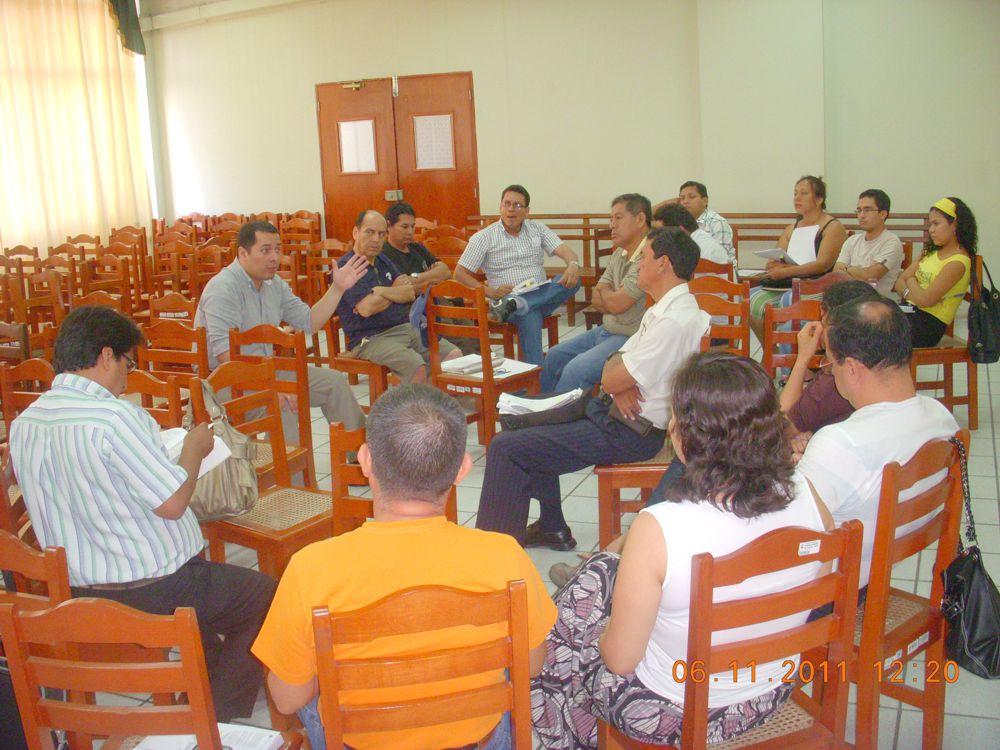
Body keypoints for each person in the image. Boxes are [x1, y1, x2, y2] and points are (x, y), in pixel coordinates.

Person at [531, 351, 828, 748]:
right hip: (769, 692)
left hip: (674, 710)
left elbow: (619, 662)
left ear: (684, 439)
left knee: (565, 636)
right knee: (600, 578)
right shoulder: (811, 498)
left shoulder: (662, 528)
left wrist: (597, 633)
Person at [251, 385, 557, 750]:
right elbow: (532, 664)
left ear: (365, 460)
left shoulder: (310, 568)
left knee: (310, 693)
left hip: (362, 742)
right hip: (476, 740)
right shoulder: (504, 555)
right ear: (462, 469)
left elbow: (286, 699)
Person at [8, 306, 276, 722]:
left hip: (78, 591)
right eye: (128, 364)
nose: (126, 378)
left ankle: (202, 684)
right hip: (152, 587)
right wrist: (192, 450)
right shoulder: (115, 417)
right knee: (268, 597)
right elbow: (172, 504)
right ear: (106, 355)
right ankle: (217, 720)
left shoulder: (25, 421)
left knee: (210, 591)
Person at [476, 228, 709, 550]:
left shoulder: (672, 320)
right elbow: (619, 360)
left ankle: (492, 558)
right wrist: (618, 381)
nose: (638, 264)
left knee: (506, 447)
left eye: (645, 257)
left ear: (663, 264)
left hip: (630, 432)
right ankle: (551, 526)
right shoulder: (666, 309)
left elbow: (612, 376)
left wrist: (617, 382)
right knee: (520, 414)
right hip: (614, 412)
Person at [797, 296, 959, 589]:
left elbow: (791, 532)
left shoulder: (841, 443)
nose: (829, 371)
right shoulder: (942, 418)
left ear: (853, 368)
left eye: (830, 362)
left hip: (835, 599)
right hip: (875, 580)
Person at [196, 220, 366, 431]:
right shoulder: (223, 289)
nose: (274, 257)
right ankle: (286, 464)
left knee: (335, 383)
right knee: (282, 404)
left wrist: (338, 288)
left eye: (277, 249)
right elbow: (226, 357)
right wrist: (272, 388)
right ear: (243, 254)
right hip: (223, 381)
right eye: (265, 250)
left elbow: (310, 321)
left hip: (265, 370)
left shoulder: (274, 284)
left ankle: (360, 458)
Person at [455, 184, 582, 365]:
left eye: (517, 205)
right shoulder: (484, 237)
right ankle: (536, 378)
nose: (511, 210)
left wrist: (573, 264)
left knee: (574, 280)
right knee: (529, 315)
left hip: (539, 294)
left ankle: (519, 304)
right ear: (500, 207)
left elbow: (565, 251)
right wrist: (489, 292)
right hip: (503, 301)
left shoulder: (537, 229)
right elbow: (460, 273)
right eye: (507, 204)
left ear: (527, 211)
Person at [540, 193, 650, 394]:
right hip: (607, 329)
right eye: (611, 219)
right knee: (554, 355)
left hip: (630, 337)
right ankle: (542, 409)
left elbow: (615, 303)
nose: (612, 225)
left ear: (640, 219)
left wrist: (608, 298)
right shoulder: (621, 252)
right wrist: (611, 297)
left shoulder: (648, 256)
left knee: (576, 369)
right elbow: (596, 296)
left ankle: (557, 418)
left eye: (618, 218)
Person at [335, 210, 460, 384]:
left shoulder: (382, 260)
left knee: (454, 356)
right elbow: (367, 308)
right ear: (356, 233)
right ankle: (417, 410)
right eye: (369, 232)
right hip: (371, 338)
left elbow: (409, 292)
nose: (376, 239)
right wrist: (395, 290)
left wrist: (382, 291)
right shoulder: (346, 267)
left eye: (381, 234)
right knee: (417, 368)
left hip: (404, 327)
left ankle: (435, 403)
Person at [748, 176, 847, 343]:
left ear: (819, 199)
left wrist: (786, 271)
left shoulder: (832, 227)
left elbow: (823, 264)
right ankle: (771, 353)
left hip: (818, 285)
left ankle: (793, 355)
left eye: (804, 193)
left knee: (789, 299)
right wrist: (774, 265)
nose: (797, 198)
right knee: (751, 299)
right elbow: (777, 255)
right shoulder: (791, 228)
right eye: (795, 193)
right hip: (787, 282)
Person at [780, 280, 880, 443]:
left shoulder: (831, 383)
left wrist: (802, 359)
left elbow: (781, 427)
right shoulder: (879, 360)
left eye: (823, 321)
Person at [892, 197, 977, 347]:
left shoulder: (958, 262)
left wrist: (911, 281)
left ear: (954, 225)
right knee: (864, 317)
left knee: (871, 331)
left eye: (936, 224)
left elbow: (925, 301)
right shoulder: (930, 251)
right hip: (908, 310)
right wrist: (912, 292)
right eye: (930, 224)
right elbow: (899, 281)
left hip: (927, 325)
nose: (931, 229)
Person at [832, 188, 904, 298]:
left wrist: (848, 269)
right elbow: (837, 273)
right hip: (847, 300)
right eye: (859, 210)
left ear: (883, 214)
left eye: (867, 210)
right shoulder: (852, 240)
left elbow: (871, 276)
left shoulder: (891, 242)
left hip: (876, 304)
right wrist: (859, 272)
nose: (861, 215)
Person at [655, 181, 735, 265]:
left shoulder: (717, 222)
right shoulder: (679, 222)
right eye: (682, 198)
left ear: (705, 201)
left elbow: (721, 260)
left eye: (691, 197)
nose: (685, 201)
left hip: (720, 274)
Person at [379, 201, 452, 293]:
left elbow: (445, 271)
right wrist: (431, 278)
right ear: (388, 226)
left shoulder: (418, 248)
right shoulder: (383, 255)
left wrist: (414, 277)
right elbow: (401, 290)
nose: (410, 232)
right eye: (404, 227)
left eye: (412, 226)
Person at [652, 203, 729, 265]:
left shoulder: (690, 251)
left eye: (661, 231)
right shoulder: (703, 238)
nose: (658, 237)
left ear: (679, 231)